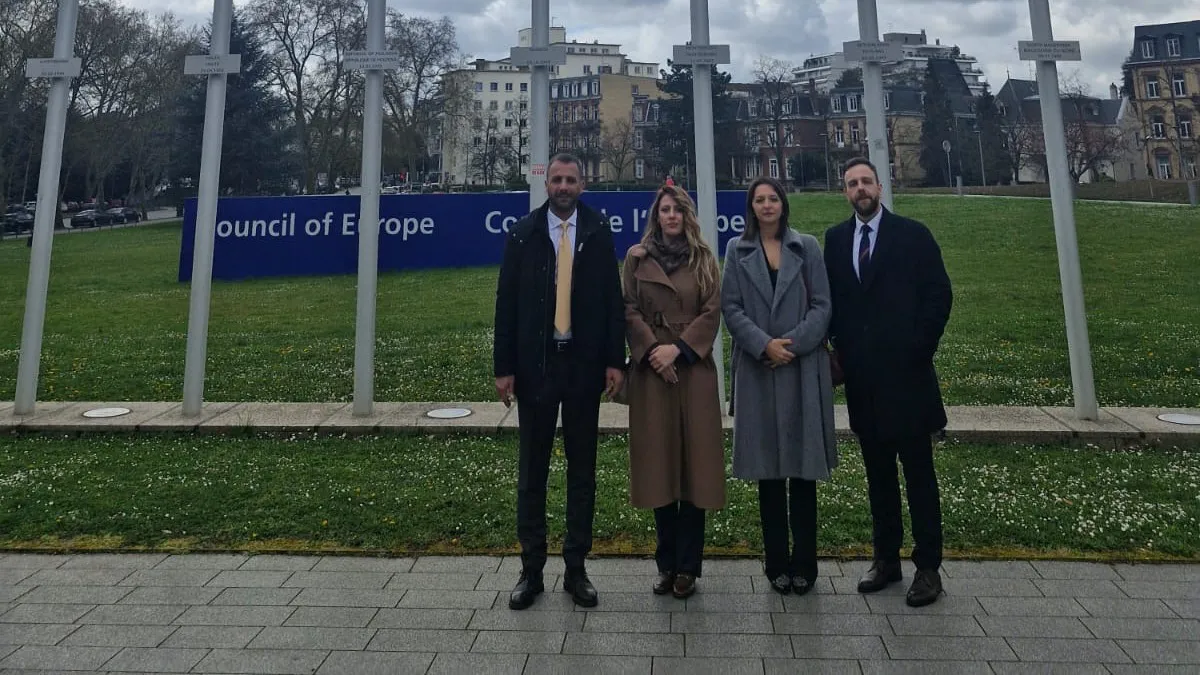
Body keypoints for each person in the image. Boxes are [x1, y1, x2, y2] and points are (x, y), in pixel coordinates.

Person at [493, 153, 626, 610]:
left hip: (583, 368)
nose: (563, 186)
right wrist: (503, 367)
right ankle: (531, 571)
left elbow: (612, 300)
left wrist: (615, 361)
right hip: (536, 368)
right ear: (546, 184)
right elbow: (506, 303)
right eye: (557, 179)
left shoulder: (598, 231)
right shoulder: (523, 233)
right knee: (532, 473)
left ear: (582, 185)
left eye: (571, 180)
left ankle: (576, 569)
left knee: (582, 472)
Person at [823, 157, 953, 607]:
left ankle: (928, 568)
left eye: (866, 181)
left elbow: (939, 294)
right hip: (864, 382)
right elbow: (833, 301)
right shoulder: (836, 240)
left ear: (880, 186)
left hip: (908, 377)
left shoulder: (913, 235)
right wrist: (838, 347)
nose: (860, 189)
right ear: (845, 192)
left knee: (919, 478)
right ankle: (886, 559)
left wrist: (919, 347)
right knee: (878, 477)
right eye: (851, 183)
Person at [721, 176, 837, 596]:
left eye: (773, 198)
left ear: (783, 204)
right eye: (759, 199)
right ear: (751, 207)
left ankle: (805, 563)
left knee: (803, 473)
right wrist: (762, 344)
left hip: (800, 368)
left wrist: (791, 345)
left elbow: (823, 304)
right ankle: (776, 564)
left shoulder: (807, 247)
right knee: (767, 474)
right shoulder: (736, 250)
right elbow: (730, 307)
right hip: (758, 370)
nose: (767, 205)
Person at [622, 185, 724, 599]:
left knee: (695, 469)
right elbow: (628, 308)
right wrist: (653, 351)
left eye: (677, 210)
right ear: (656, 215)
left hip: (692, 370)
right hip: (652, 373)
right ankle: (666, 564)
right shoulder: (636, 258)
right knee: (659, 467)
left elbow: (712, 311)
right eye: (664, 209)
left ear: (687, 215)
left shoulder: (704, 259)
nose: (671, 216)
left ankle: (688, 567)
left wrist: (678, 350)